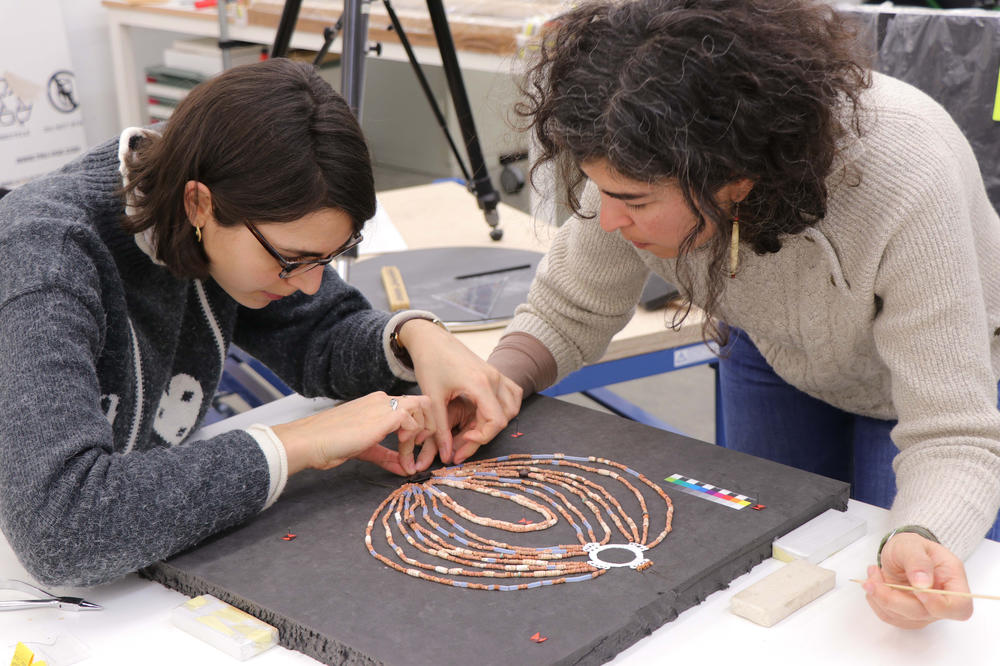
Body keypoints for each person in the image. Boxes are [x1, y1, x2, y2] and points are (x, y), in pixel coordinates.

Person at [484, 0, 1000, 629]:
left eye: (634, 202)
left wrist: (924, 538)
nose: (608, 220)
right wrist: (496, 383)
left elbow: (952, 434)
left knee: (883, 584)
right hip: (774, 342)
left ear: (737, 179)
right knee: (763, 562)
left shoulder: (907, 176)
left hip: (924, 383)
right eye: (602, 191)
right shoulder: (644, 151)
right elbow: (569, 309)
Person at [0, 58, 521, 587]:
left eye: (328, 258)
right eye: (292, 260)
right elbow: (60, 526)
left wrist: (415, 338)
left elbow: (322, 333)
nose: (311, 284)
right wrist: (297, 442)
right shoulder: (43, 257)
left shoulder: (225, 193)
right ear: (199, 204)